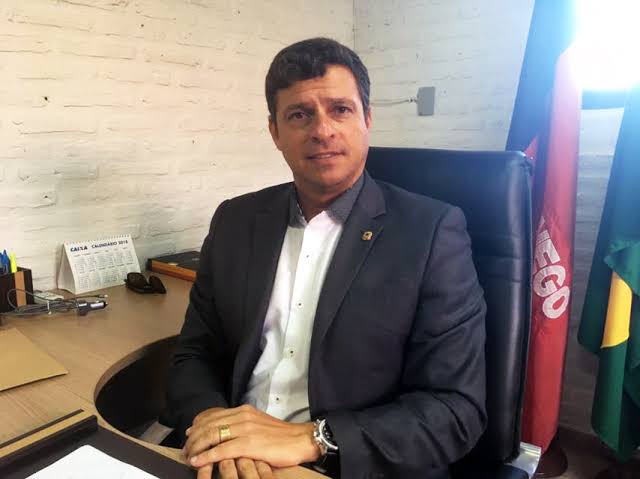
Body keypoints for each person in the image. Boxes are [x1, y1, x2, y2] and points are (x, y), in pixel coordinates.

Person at [167, 37, 487, 479]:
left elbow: (455, 409)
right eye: (299, 115)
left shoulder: (432, 233)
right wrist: (217, 427)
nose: (322, 130)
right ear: (275, 132)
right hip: (232, 457)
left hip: (350, 463)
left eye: (340, 109)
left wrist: (313, 439)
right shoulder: (235, 220)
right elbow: (195, 352)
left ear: (367, 119)